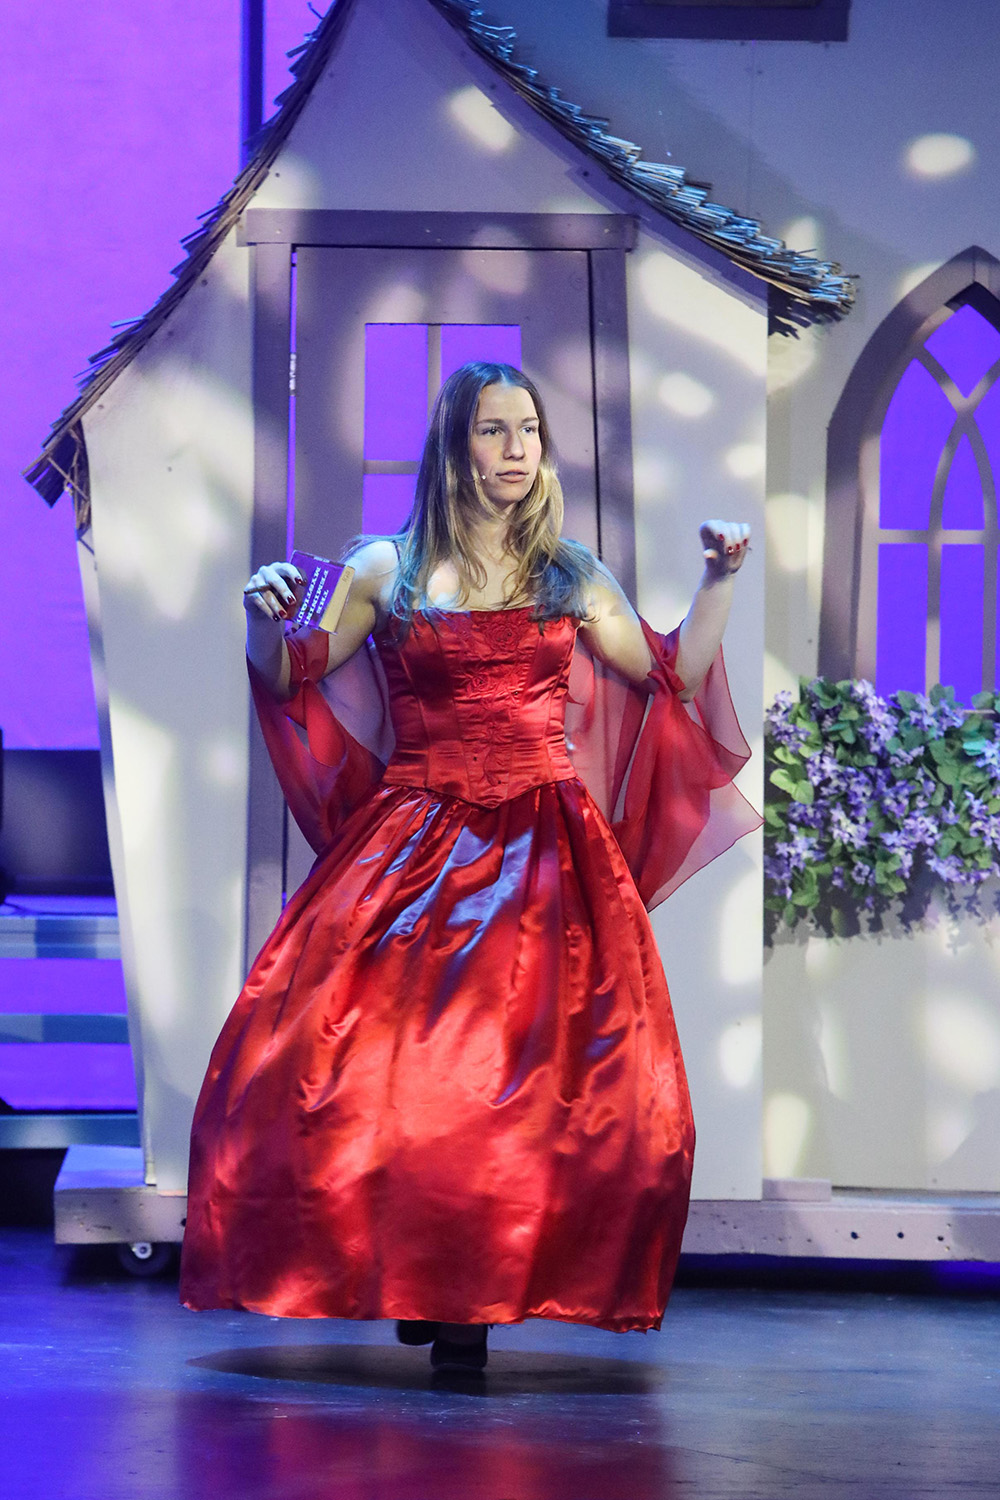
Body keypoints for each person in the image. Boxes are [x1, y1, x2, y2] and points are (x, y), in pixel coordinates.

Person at [179, 361, 758, 1374]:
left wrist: (718, 582)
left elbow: (672, 674)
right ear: (455, 445)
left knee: (540, 1086)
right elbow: (292, 674)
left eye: (528, 429)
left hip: (545, 853)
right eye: (494, 429)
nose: (517, 447)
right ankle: (424, 1270)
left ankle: (466, 1295)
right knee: (375, 1072)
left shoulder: (569, 573)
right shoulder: (384, 568)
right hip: (415, 842)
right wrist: (263, 621)